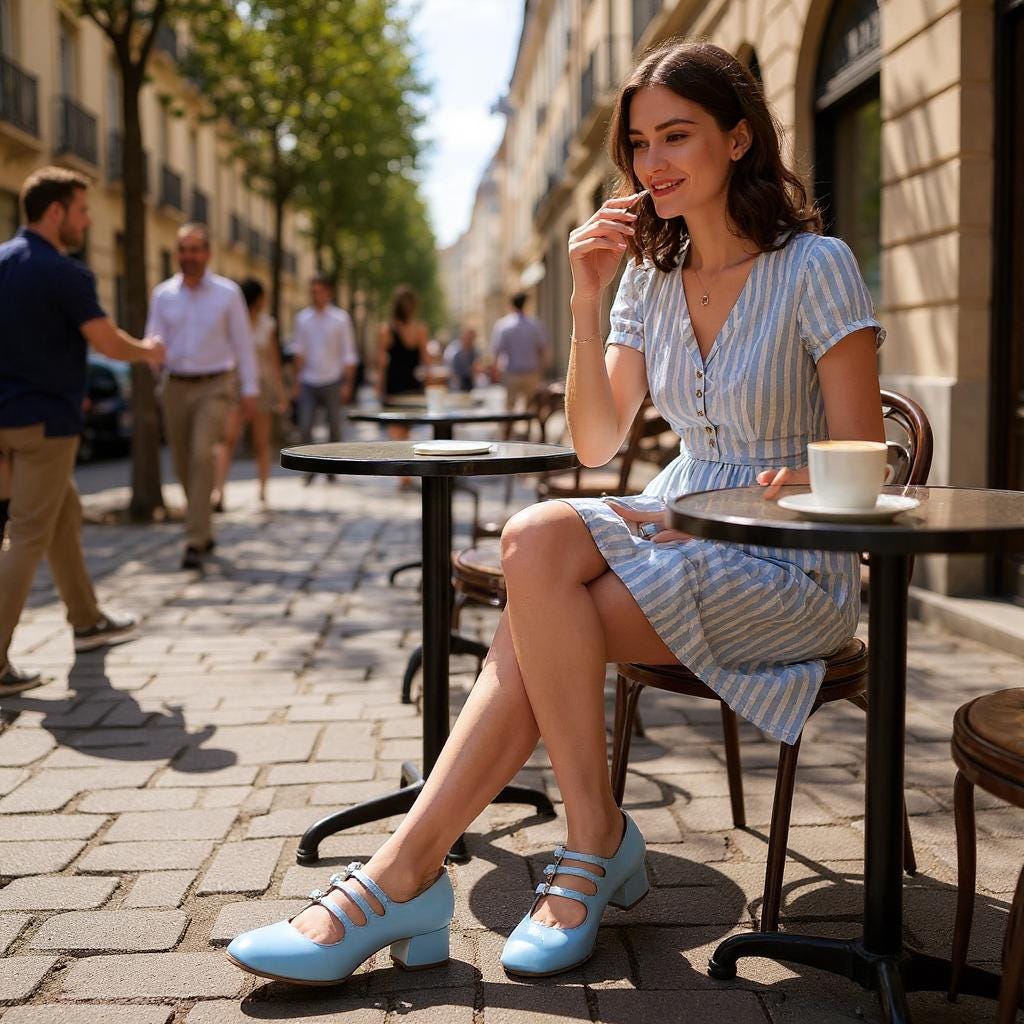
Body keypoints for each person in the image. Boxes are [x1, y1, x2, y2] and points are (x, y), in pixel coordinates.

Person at [226, 39, 885, 988]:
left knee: (535, 616)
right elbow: (595, 443)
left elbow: (859, 456)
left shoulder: (815, 265)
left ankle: (426, 878)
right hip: (679, 525)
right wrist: (584, 295)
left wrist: (776, 490)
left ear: (739, 140)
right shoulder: (649, 278)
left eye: (678, 136)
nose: (653, 162)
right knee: (537, 545)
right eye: (639, 144)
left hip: (786, 559)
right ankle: (552, 849)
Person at [0, 167, 164, 695]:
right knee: (26, 535)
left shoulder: (2, 262)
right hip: (47, 425)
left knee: (63, 515)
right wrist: (150, 351)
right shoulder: (65, 272)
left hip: (5, 423)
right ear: (55, 212)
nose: (87, 220)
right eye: (81, 210)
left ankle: (86, 620)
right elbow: (108, 342)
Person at [147, 223, 258, 570]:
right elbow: (154, 338)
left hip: (215, 385)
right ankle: (204, 528)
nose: (189, 256)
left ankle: (193, 540)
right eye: (183, 249)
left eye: (195, 249)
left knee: (201, 456)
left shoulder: (227, 294)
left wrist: (250, 389)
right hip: (175, 385)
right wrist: (154, 363)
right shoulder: (163, 294)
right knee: (181, 462)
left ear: (208, 254)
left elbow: (242, 343)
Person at [212, 278, 285, 509]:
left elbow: (274, 362)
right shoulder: (233, 322)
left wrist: (281, 393)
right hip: (235, 386)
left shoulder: (268, 325)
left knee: (261, 442)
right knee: (228, 439)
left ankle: (263, 491)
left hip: (262, 388)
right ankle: (218, 491)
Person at [291, 274, 359, 485]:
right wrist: (295, 380)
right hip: (308, 380)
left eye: (319, 291)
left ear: (328, 293)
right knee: (305, 426)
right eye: (312, 291)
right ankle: (309, 467)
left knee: (334, 427)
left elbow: (348, 353)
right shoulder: (302, 319)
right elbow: (299, 351)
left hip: (332, 379)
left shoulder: (341, 319)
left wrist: (347, 382)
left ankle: (332, 467)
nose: (315, 295)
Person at [377, 284, 432, 489]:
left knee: (396, 432)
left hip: (394, 385)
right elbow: (426, 361)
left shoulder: (386, 329)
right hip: (412, 384)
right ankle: (405, 473)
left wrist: (379, 387)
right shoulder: (420, 329)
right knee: (406, 432)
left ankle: (403, 474)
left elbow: (382, 362)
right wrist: (428, 385)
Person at [490, 292, 550, 410]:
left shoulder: (503, 326)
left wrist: (495, 371)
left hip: (511, 373)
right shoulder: (535, 325)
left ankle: (509, 428)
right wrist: (542, 369)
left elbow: (497, 351)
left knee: (509, 408)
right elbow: (544, 349)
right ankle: (528, 428)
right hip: (531, 372)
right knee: (531, 408)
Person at [443, 326, 480, 393]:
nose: (471, 341)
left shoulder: (473, 350)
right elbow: (451, 372)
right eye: (469, 338)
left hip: (468, 382)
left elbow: (475, 368)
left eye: (472, 339)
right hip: (456, 383)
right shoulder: (454, 351)